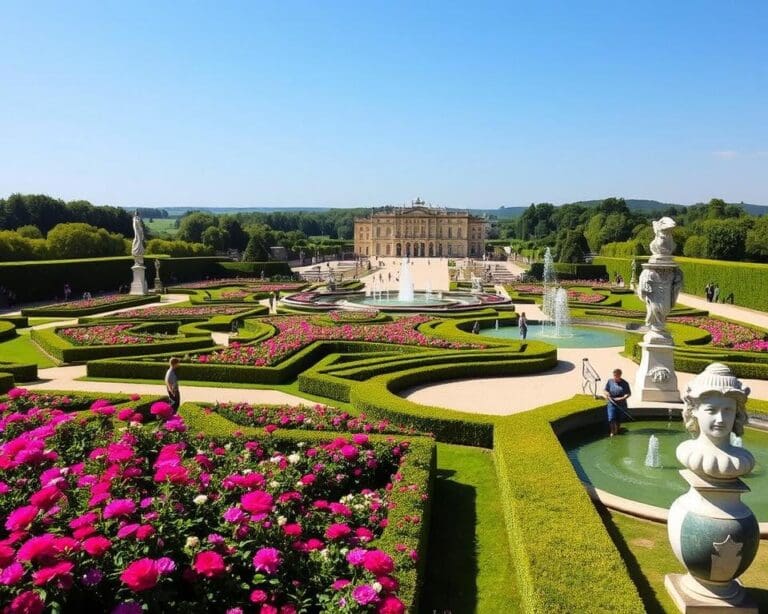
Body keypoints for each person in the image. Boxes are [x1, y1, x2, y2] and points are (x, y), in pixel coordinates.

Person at [604, 368, 631, 437]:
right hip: (611, 402)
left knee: (619, 418)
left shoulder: (625, 383)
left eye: (616, 376)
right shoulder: (610, 381)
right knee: (611, 417)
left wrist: (621, 398)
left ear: (620, 375)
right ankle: (612, 431)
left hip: (621, 403)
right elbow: (605, 390)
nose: (615, 377)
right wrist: (607, 394)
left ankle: (617, 430)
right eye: (614, 375)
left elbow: (628, 394)